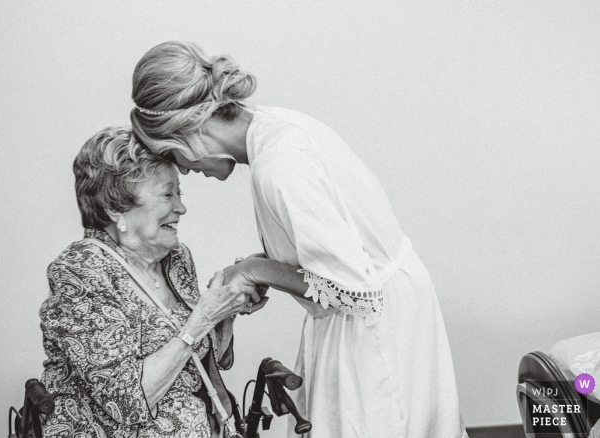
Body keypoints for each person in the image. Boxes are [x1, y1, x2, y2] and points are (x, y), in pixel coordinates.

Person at [128, 41, 467, 438]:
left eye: (173, 155)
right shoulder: (276, 126)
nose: (183, 171)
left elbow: (355, 292)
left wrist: (256, 270)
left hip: (371, 329)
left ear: (189, 130)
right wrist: (249, 272)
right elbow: (336, 249)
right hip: (389, 309)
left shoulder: (280, 165)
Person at [39, 126, 263, 438]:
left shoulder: (175, 258)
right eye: (167, 194)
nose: (181, 207)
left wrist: (227, 311)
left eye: (179, 193)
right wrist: (204, 317)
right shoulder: (82, 272)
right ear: (116, 207)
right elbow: (125, 403)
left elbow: (203, 363)